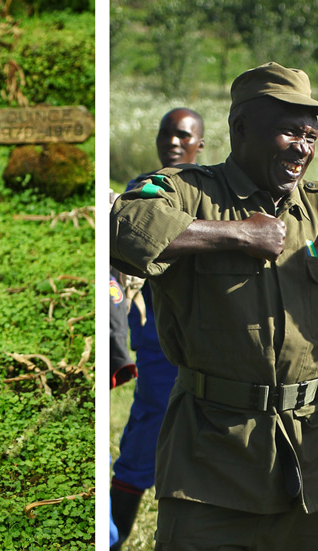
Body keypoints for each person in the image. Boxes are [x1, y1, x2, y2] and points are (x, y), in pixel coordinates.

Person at [110, 62, 318, 550]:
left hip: (306, 462)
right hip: (210, 459)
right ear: (240, 129)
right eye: (289, 132)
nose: (303, 147)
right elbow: (125, 223)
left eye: (311, 135)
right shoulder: (188, 190)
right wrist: (235, 233)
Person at [111, 108, 205, 550]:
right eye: (167, 133)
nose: (173, 141)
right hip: (156, 344)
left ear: (200, 144)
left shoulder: (212, 193)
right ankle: (113, 537)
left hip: (207, 343)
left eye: (183, 135)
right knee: (145, 435)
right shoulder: (143, 191)